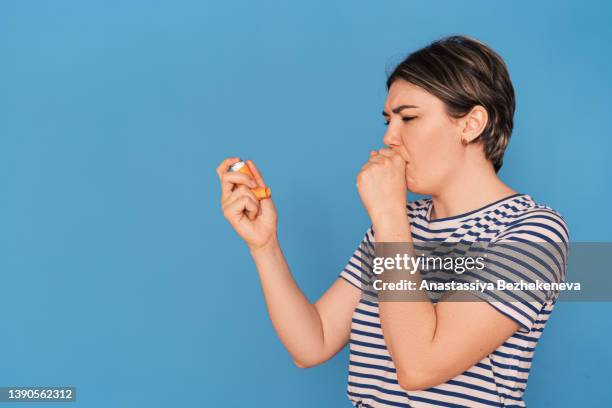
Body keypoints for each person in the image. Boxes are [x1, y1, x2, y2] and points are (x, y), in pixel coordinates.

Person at [216, 35, 569, 407]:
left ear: (471, 124)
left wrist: (388, 216)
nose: (389, 137)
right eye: (388, 120)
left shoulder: (533, 232)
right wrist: (264, 245)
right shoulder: (399, 225)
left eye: (409, 118)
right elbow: (312, 343)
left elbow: (420, 367)